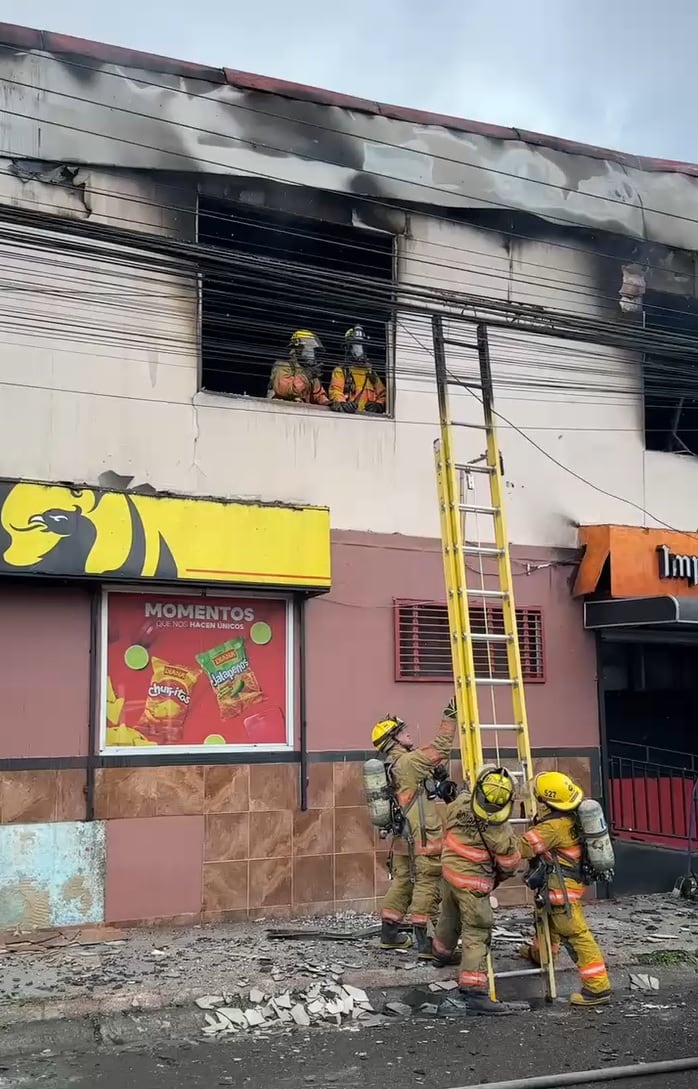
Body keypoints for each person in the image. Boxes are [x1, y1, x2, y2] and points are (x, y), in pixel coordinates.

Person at [432, 767, 526, 1016]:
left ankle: (440, 953)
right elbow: (509, 864)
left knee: (449, 915)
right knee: (477, 931)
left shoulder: (461, 803)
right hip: (474, 885)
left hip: (449, 871)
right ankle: (474, 992)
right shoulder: (500, 831)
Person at [518, 771, 612, 1008]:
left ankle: (597, 988)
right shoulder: (572, 819)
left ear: (545, 801)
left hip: (561, 893)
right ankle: (539, 955)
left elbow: (524, 848)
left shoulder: (554, 827)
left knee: (577, 936)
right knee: (546, 924)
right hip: (566, 888)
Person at [371, 701, 457, 957]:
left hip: (402, 835)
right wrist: (450, 716)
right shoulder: (408, 763)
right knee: (428, 881)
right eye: (401, 730)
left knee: (403, 883)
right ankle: (425, 943)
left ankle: (389, 935)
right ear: (393, 740)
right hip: (422, 835)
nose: (408, 732)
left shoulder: (393, 764)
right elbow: (440, 747)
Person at [329, 325, 386, 413]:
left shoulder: (371, 373)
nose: (360, 351)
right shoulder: (341, 371)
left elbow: (383, 394)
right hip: (349, 417)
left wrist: (378, 405)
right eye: (356, 346)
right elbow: (335, 391)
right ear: (348, 349)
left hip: (370, 419)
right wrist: (343, 404)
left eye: (362, 346)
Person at [268, 330, 329, 405]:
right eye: (308, 349)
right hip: (280, 410)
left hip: (300, 412)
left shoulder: (310, 372)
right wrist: (306, 376)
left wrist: (329, 403)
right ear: (298, 349)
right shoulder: (283, 366)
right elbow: (285, 390)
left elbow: (318, 395)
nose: (311, 354)